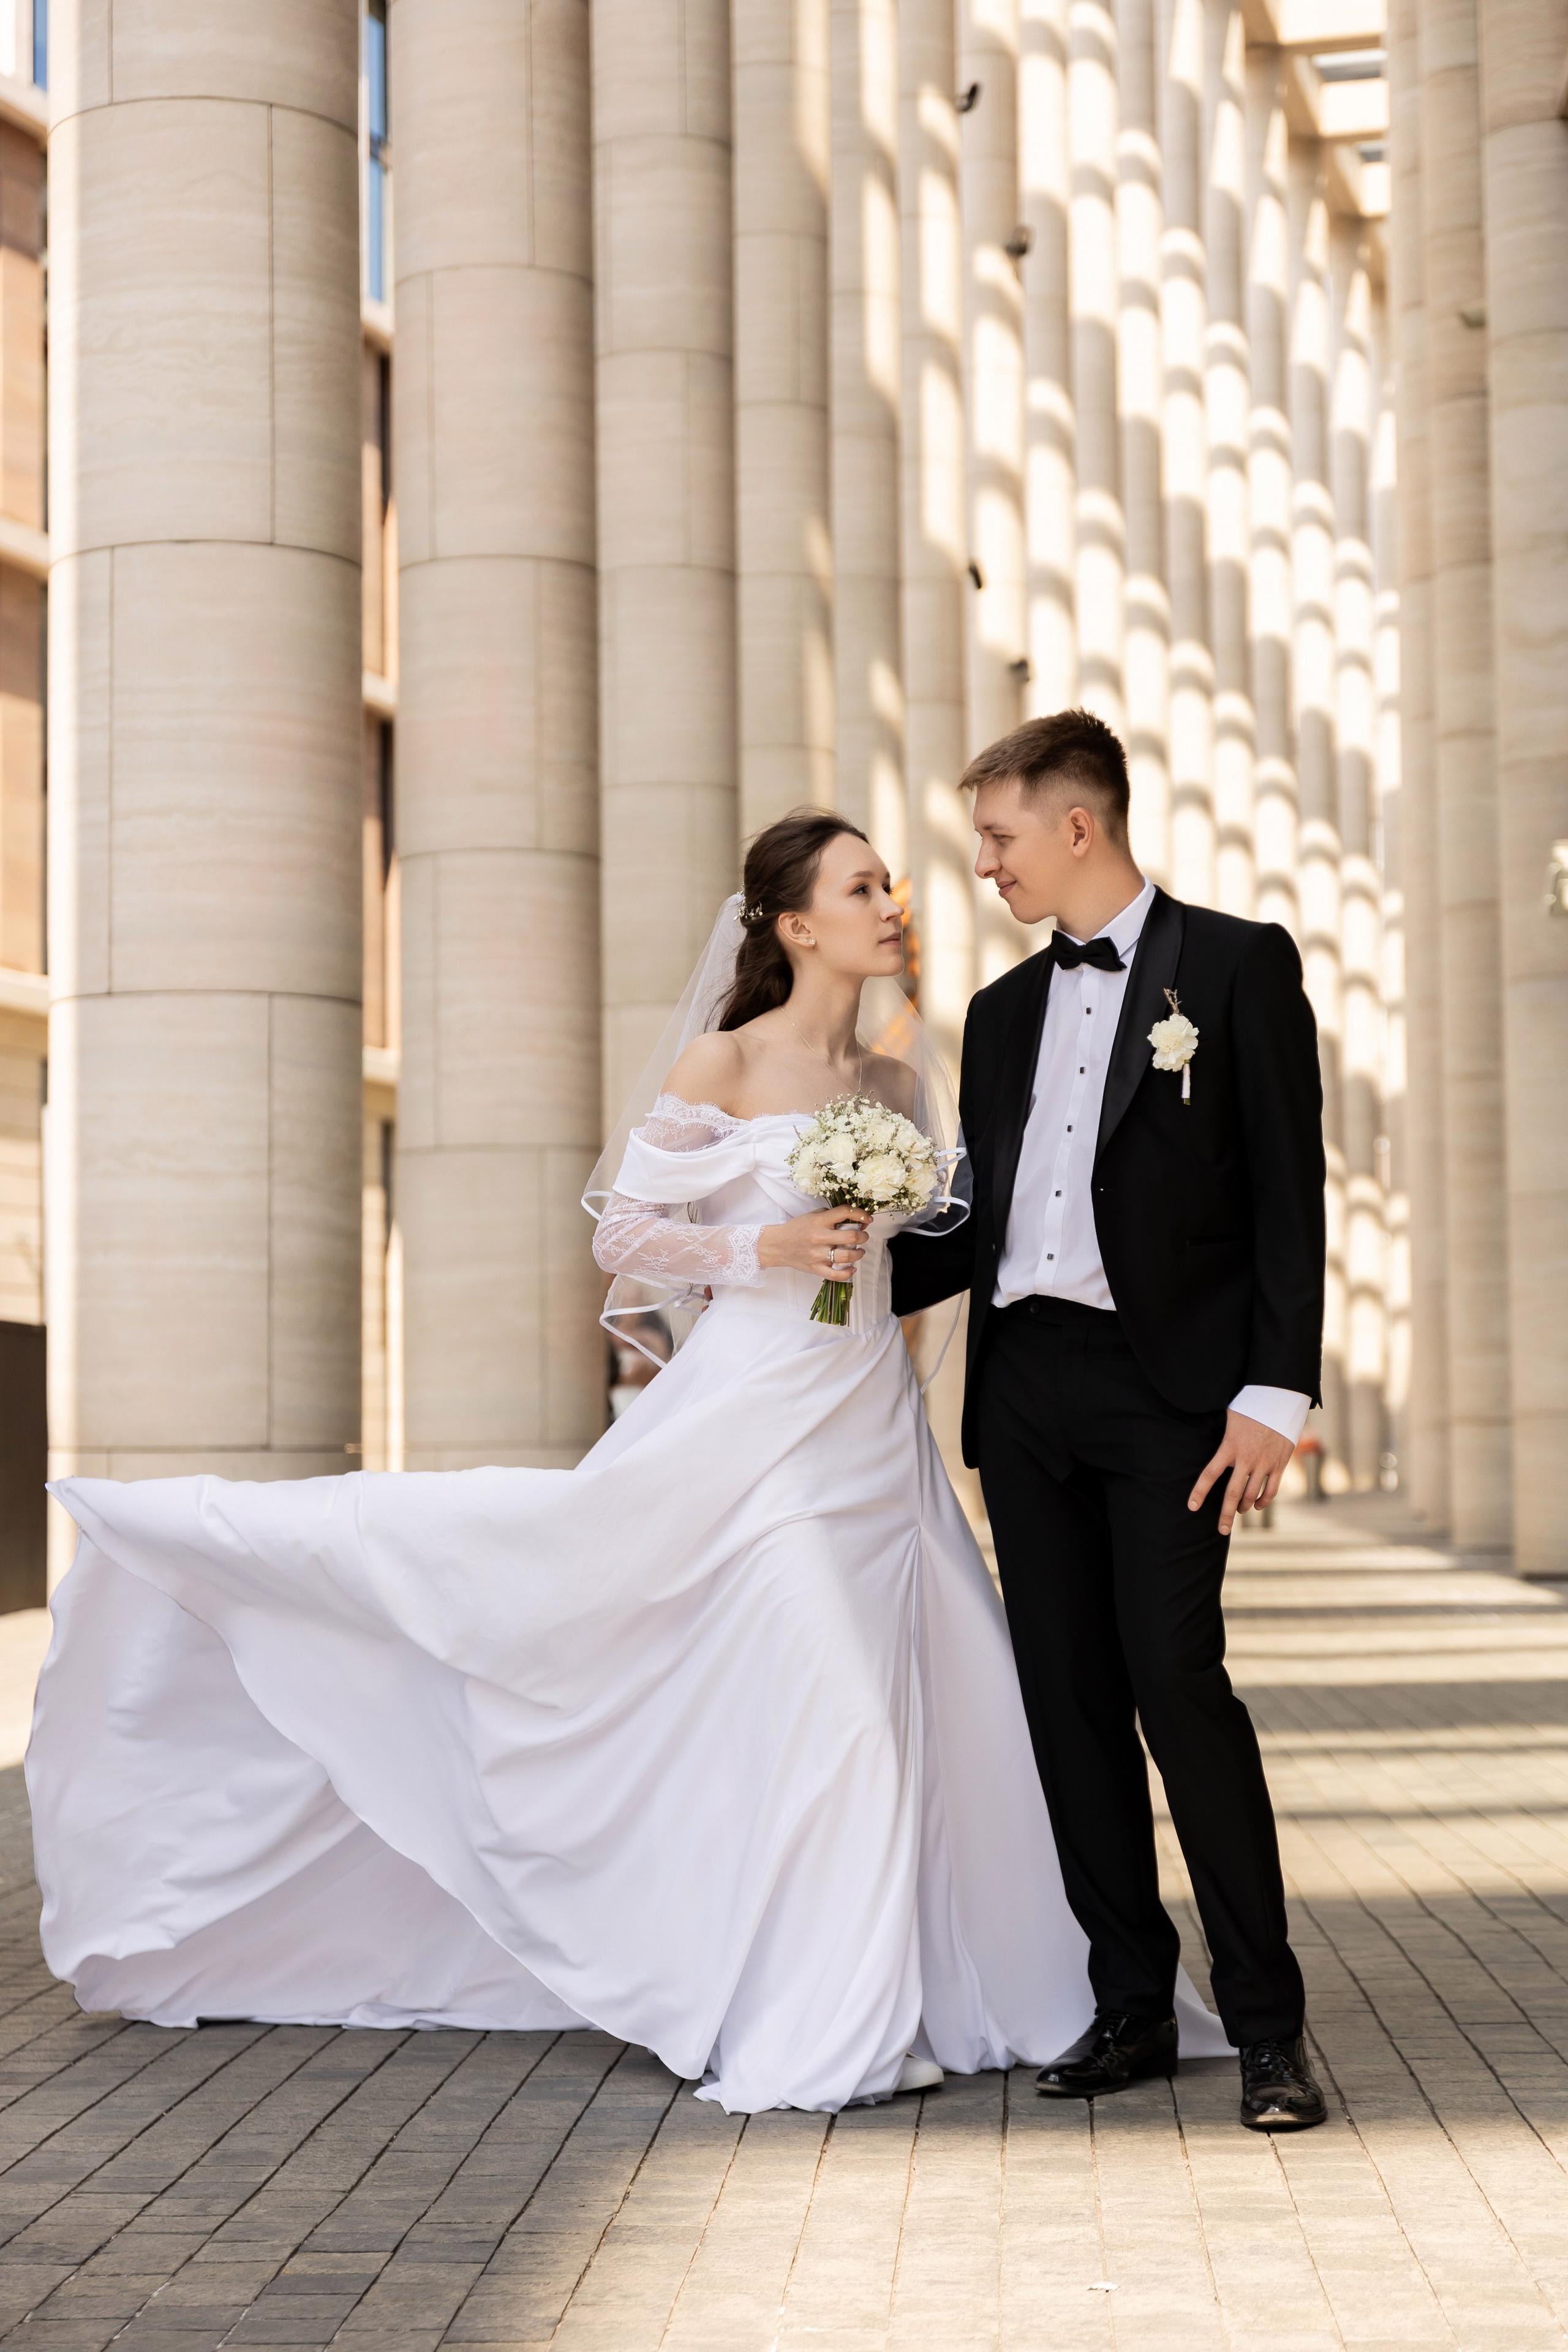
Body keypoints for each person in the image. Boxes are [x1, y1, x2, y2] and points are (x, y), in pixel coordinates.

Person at [28, 806, 1231, 2116]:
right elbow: (628, 1239)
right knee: (837, 1705)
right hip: (753, 1425)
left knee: (943, 1707)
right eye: (860, 887)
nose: (892, 904)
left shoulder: (899, 1085)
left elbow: (935, 1256)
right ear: (792, 925)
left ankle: (965, 1985)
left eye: (890, 883)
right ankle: (829, 2018)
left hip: (870, 1428)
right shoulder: (721, 1064)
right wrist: (764, 1254)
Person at [892, 710, 1329, 2133]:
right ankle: (1127, 2003)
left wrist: (1275, 1393)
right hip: (1022, 1398)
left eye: (998, 837)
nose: (981, 866)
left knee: (1178, 1693)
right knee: (1065, 1707)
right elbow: (981, 1216)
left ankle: (1267, 2030)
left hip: (1168, 1403)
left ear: (1078, 826)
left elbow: (1285, 1196)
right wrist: (842, 1251)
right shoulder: (1001, 1013)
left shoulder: (1238, 966)